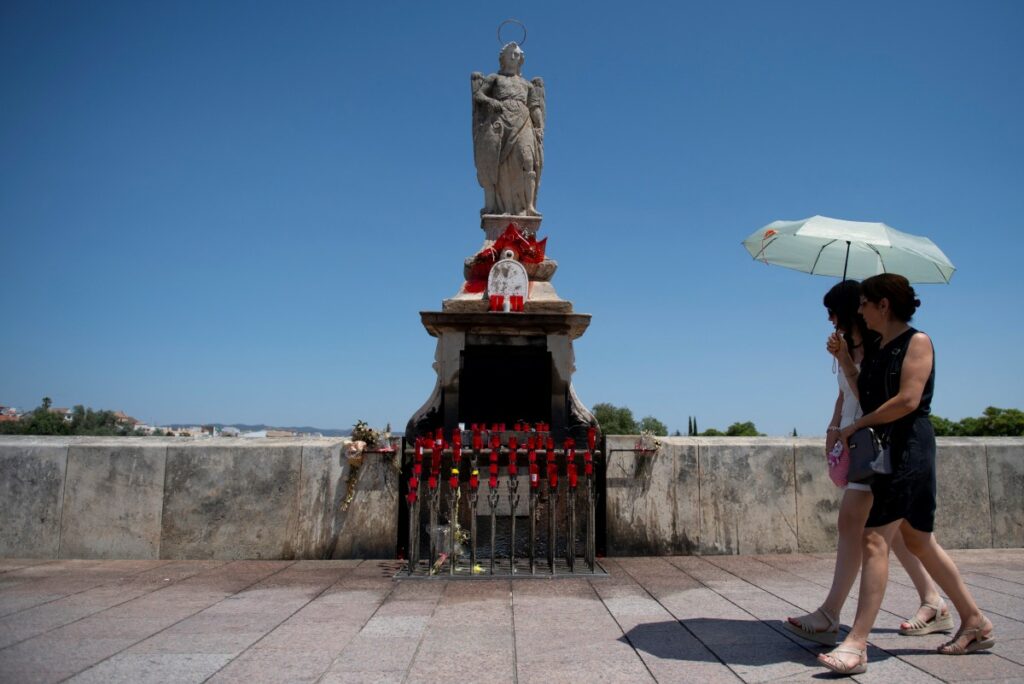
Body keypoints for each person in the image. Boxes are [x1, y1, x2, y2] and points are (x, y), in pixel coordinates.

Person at [818, 274, 994, 676]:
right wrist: (846, 361)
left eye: (864, 303)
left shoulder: (918, 342)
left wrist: (856, 427)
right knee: (918, 541)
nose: (858, 310)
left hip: (909, 447)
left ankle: (856, 643)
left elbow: (908, 400)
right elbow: (867, 395)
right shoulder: (878, 348)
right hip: (887, 447)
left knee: (875, 538)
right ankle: (974, 620)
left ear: (884, 305)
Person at [785, 280, 949, 647]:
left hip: (879, 444)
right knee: (899, 535)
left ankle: (834, 617)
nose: (832, 318)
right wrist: (835, 424)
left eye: (834, 311)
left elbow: (879, 397)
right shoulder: (854, 345)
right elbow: (846, 395)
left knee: (867, 530)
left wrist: (853, 415)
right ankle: (939, 603)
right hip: (861, 442)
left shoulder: (887, 346)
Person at [471, 42, 545, 217]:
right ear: (503, 57)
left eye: (517, 54)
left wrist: (540, 126)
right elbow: (478, 95)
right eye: (511, 53)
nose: (514, 56)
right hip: (500, 122)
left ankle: (529, 206)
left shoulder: (527, 85)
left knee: (528, 160)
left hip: (524, 121)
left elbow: (535, 107)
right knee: (501, 164)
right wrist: (491, 101)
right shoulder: (494, 79)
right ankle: (501, 205)